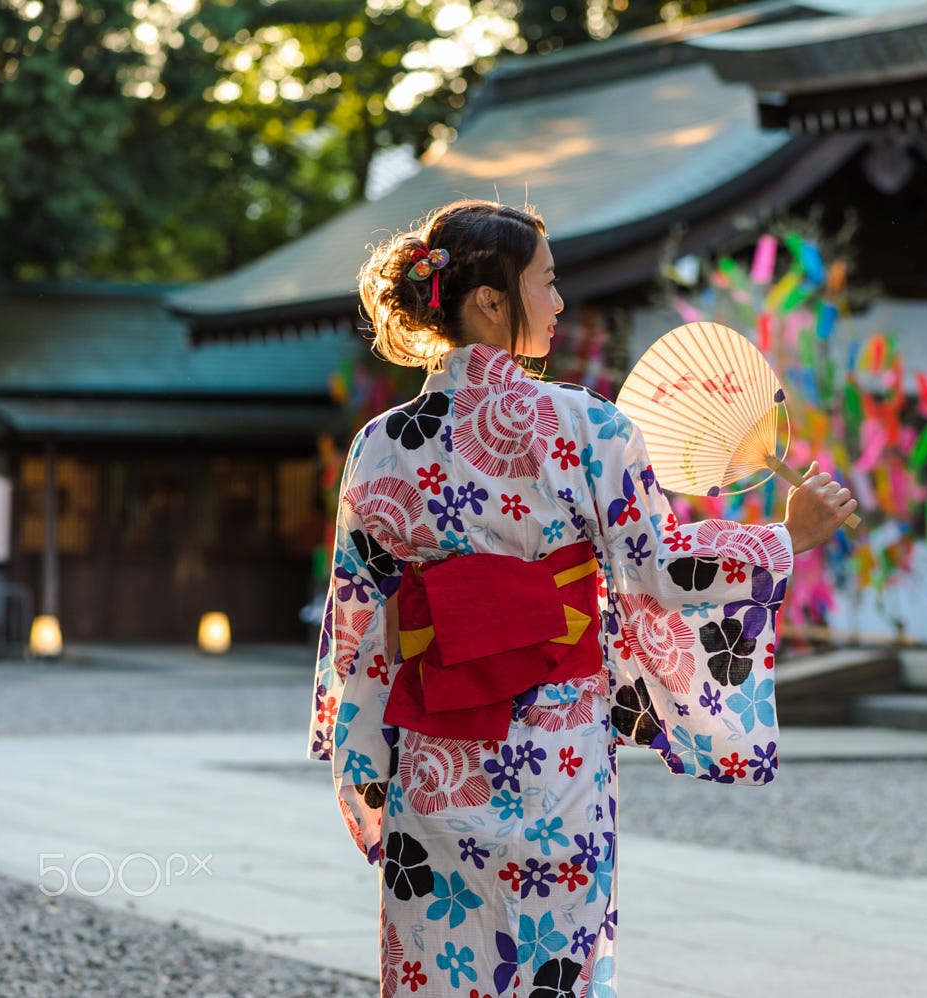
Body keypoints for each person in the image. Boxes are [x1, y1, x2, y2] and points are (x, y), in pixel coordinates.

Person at [309, 199, 856, 998]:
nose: (560, 303)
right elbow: (659, 568)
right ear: (491, 301)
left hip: (433, 746)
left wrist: (363, 762)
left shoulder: (381, 443)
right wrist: (784, 538)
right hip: (553, 750)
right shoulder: (585, 425)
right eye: (547, 283)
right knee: (549, 967)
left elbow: (359, 618)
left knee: (435, 966)